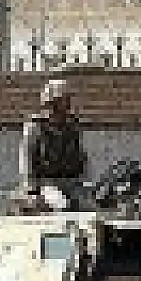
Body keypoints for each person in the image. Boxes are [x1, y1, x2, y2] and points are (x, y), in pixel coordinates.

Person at [17, 78, 87, 213]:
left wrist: (84, 180)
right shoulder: (35, 127)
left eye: (67, 100)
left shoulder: (72, 125)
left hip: (72, 182)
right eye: (63, 100)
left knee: (89, 205)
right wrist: (31, 190)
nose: (67, 104)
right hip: (46, 183)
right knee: (61, 205)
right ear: (52, 102)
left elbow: (81, 155)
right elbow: (27, 158)